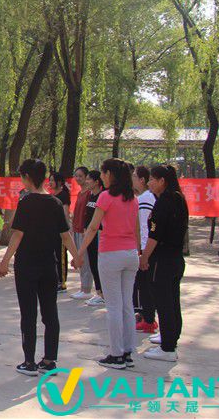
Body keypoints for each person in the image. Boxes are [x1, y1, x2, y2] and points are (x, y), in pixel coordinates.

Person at [0, 159, 81, 376]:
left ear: (26, 177)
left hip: (27, 265)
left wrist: (4, 262)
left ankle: (29, 362)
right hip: (48, 265)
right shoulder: (55, 203)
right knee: (50, 313)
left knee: (28, 314)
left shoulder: (26, 202)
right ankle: (50, 360)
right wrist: (76, 257)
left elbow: (18, 234)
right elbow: (65, 235)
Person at [76, 158, 140, 370]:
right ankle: (127, 351)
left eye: (103, 173)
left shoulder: (106, 196)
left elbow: (93, 227)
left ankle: (116, 354)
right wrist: (138, 252)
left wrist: (80, 252)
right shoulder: (133, 198)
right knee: (127, 304)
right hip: (130, 254)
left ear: (110, 174)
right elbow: (137, 229)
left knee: (113, 305)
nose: (101, 176)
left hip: (111, 253)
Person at [139, 165, 188, 362]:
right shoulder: (179, 198)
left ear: (162, 181)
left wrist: (144, 257)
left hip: (163, 259)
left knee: (164, 302)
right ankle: (171, 337)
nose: (149, 182)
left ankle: (167, 348)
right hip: (176, 258)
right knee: (173, 300)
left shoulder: (164, 202)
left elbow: (155, 235)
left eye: (152, 179)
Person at [132, 166, 157, 334]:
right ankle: (147, 317)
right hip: (145, 247)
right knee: (143, 284)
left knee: (145, 285)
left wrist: (142, 251)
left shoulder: (145, 199)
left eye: (134, 176)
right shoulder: (143, 198)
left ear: (142, 180)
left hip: (145, 248)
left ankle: (148, 319)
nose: (132, 179)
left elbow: (144, 227)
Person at [69, 167, 95, 300]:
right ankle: (82, 288)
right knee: (79, 259)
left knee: (85, 260)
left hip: (84, 231)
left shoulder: (89, 194)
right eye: (76, 176)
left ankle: (86, 289)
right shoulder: (80, 193)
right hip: (77, 229)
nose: (78, 178)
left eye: (81, 176)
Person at [81, 171, 106, 306]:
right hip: (89, 234)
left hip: (97, 234)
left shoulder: (102, 196)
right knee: (92, 263)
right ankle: (98, 292)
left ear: (97, 181)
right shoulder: (91, 196)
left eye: (89, 179)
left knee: (97, 263)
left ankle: (103, 293)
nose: (86, 181)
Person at [47, 171, 71, 292]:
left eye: (52, 180)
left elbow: (66, 213)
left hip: (60, 231)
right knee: (53, 256)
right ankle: (55, 280)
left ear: (59, 182)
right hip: (51, 231)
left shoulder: (63, 195)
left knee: (61, 256)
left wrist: (65, 229)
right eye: (49, 180)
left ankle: (62, 282)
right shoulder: (51, 196)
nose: (50, 182)